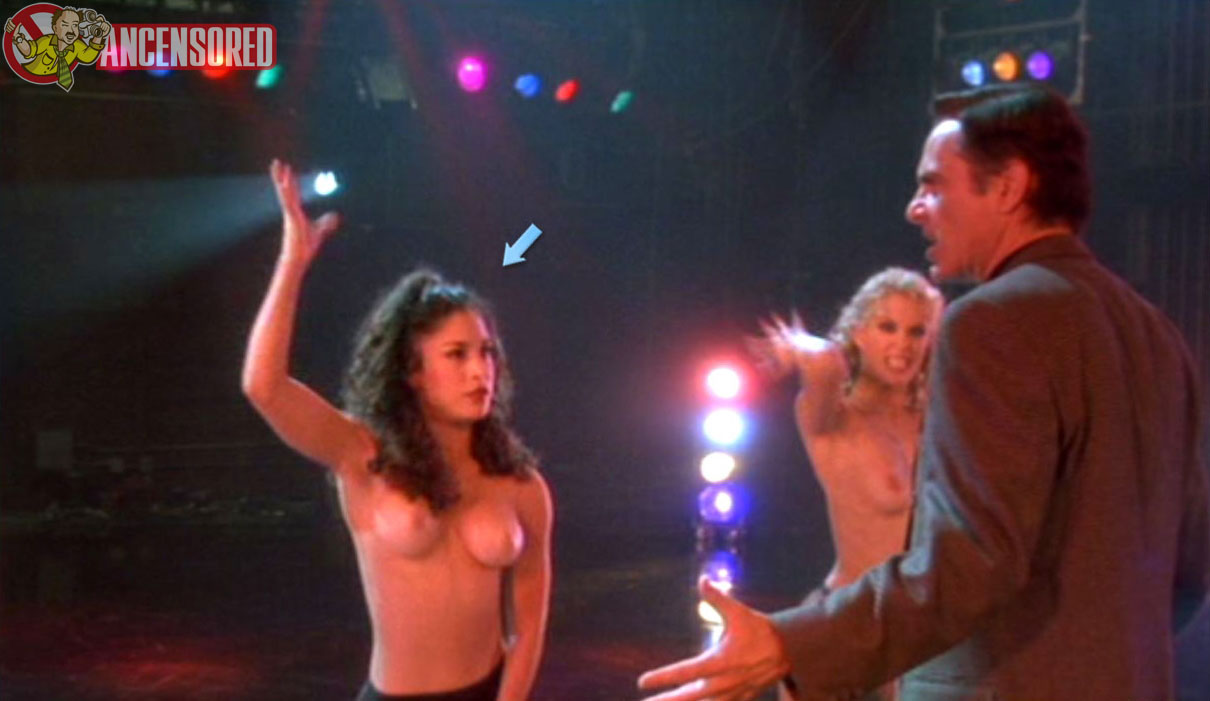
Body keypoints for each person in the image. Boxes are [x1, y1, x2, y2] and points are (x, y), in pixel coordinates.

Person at [638, 84, 1210, 701]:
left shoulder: (992, 320)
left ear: (1009, 186)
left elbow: (971, 562)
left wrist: (791, 645)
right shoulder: (1158, 335)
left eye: (934, 185)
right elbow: (1189, 564)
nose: (915, 208)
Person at [242, 160, 552, 701]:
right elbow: (264, 387)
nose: (480, 371)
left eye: (486, 353)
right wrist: (293, 262)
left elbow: (527, 625)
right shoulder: (364, 456)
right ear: (412, 371)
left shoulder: (523, 486)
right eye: (456, 355)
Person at [751, 267, 942, 701]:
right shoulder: (833, 418)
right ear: (858, 333)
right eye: (887, 327)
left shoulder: (933, 417)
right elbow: (825, 363)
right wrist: (798, 345)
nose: (902, 344)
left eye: (916, 331)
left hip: (919, 635)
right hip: (844, 623)